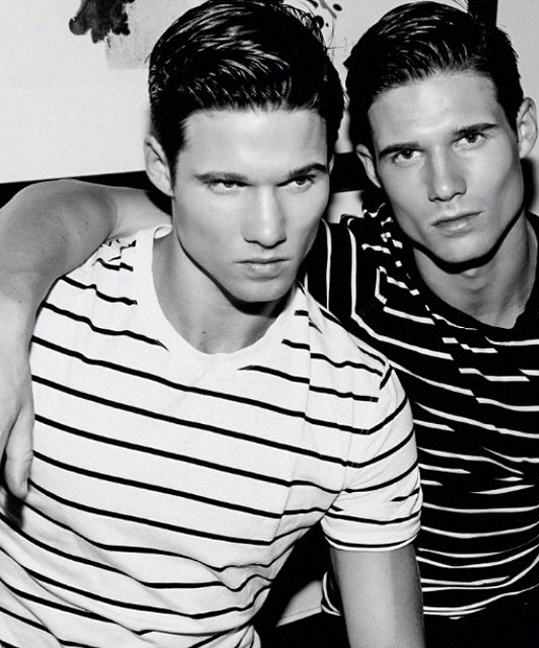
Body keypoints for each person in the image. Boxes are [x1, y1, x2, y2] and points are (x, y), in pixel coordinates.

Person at [0, 1, 539, 647]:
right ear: (369, 167)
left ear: (522, 129)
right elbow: (88, 206)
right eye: (405, 153)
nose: (445, 184)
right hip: (353, 609)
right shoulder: (336, 264)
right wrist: (7, 308)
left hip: (519, 607)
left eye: (470, 137)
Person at [0, 1, 427, 647]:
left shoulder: (356, 399)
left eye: (300, 181)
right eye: (227, 184)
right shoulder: (45, 316)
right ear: (160, 167)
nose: (269, 230)